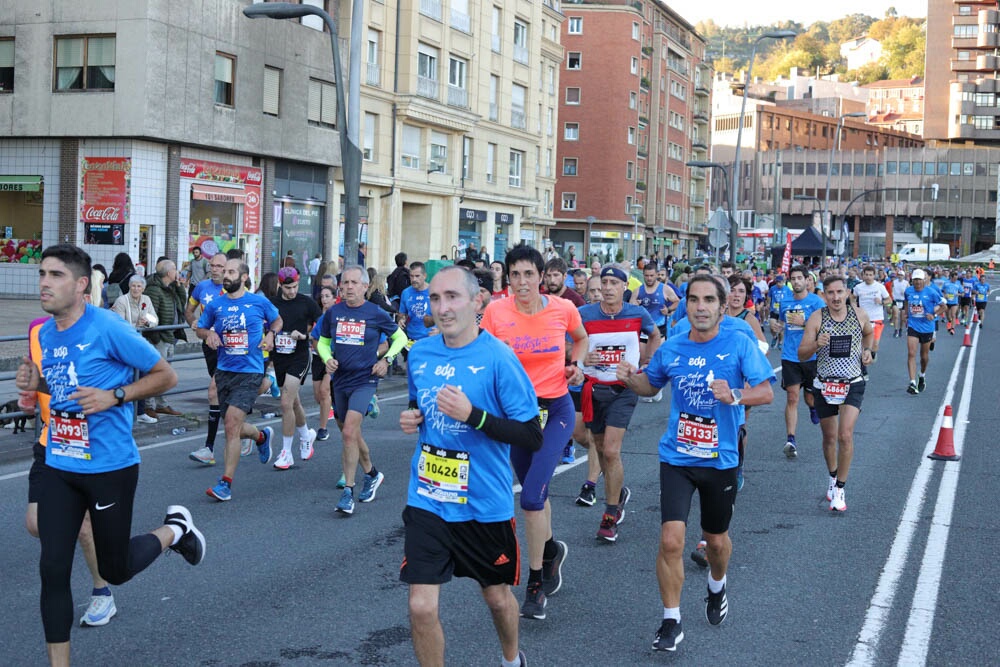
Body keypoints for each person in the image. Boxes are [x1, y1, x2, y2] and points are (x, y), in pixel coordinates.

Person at [16, 244, 205, 667]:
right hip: (60, 463)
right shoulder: (47, 333)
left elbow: (166, 375)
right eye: (42, 274)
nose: (45, 283)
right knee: (52, 570)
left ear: (82, 285)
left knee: (115, 569)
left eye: (56, 275)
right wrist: (39, 382)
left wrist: (116, 395)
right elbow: (65, 390)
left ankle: (175, 530)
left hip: (109, 466)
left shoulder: (108, 328)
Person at [616, 275, 774, 653]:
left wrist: (735, 394)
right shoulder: (672, 349)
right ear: (685, 305)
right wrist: (628, 379)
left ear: (722, 307)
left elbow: (766, 391)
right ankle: (671, 620)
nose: (700, 306)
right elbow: (650, 386)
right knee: (671, 540)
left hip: (720, 460)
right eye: (694, 299)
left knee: (716, 541)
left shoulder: (738, 343)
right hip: (677, 457)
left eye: (708, 300)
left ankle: (717, 586)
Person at [398, 266, 541, 667]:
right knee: (421, 606)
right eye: (436, 299)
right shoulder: (422, 352)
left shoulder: (498, 358)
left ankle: (512, 659)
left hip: (483, 503)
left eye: (452, 297)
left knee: (496, 598)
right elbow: (417, 400)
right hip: (428, 498)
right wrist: (414, 416)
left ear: (478, 301)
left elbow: (532, 435)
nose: (443, 308)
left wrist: (474, 416)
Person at [481, 246, 588, 620]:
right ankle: (552, 551)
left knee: (529, 498)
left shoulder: (563, 309)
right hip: (516, 418)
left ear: (541, 277)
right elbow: (482, 355)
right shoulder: (496, 312)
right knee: (535, 494)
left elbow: (581, 337)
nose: (522, 282)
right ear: (506, 279)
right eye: (515, 275)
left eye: (529, 274)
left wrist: (577, 365)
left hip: (555, 410)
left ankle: (535, 583)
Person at [578, 264, 660, 543]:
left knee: (611, 451)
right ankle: (619, 490)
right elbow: (569, 343)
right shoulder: (584, 314)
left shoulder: (637, 314)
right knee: (598, 446)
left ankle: (610, 514)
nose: (609, 287)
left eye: (615, 282)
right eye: (605, 281)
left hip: (625, 388)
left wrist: (648, 363)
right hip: (593, 389)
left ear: (625, 287)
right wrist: (580, 357)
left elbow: (656, 335)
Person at [316, 265, 407, 515]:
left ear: (365, 287)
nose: (347, 287)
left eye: (353, 283)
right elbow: (322, 343)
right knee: (351, 433)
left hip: (365, 380)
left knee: (347, 432)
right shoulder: (333, 313)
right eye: (344, 283)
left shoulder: (375, 313)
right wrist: (327, 359)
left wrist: (386, 360)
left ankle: (348, 493)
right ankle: (372, 474)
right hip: (341, 381)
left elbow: (400, 339)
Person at [196, 258, 282, 501]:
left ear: (244, 277)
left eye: (231, 271)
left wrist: (271, 335)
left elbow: (277, 320)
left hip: (250, 370)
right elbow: (201, 328)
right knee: (232, 426)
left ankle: (225, 483)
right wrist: (209, 333)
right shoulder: (217, 305)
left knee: (232, 422)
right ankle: (261, 436)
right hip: (225, 370)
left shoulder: (258, 301)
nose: (226, 275)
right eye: (224, 271)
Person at [800, 275, 874, 512]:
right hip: (825, 384)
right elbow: (802, 353)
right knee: (830, 438)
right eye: (830, 293)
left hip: (853, 382)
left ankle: (841, 488)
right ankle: (833, 477)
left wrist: (868, 351)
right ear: (824, 295)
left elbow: (869, 334)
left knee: (845, 435)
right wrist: (816, 344)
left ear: (847, 293)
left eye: (840, 292)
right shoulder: (817, 318)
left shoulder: (859, 314)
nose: (835, 297)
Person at [268, 267, 322, 470]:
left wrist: (305, 336)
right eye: (288, 287)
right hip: (280, 357)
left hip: (299, 356)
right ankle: (306, 435)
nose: (292, 291)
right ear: (280, 285)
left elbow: (322, 324)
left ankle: (286, 452)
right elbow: (265, 324)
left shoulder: (306, 302)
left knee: (285, 402)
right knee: (294, 402)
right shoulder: (272, 303)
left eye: (295, 287)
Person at [770, 265, 825, 458]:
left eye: (799, 278)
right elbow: (776, 319)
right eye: (793, 279)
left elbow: (825, 326)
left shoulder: (816, 302)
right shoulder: (785, 301)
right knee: (792, 397)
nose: (796, 282)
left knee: (810, 397)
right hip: (790, 356)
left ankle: (812, 407)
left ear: (807, 280)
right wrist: (774, 325)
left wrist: (806, 323)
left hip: (811, 356)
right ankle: (791, 439)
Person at [184, 252, 228, 464]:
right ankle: (253, 434)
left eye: (219, 266)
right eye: (212, 265)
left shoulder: (235, 289)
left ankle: (209, 448)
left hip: (228, 348)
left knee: (213, 391)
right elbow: (188, 310)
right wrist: (193, 322)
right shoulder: (202, 287)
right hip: (208, 345)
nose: (214, 269)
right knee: (222, 394)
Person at [111, 275, 160, 423]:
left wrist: (147, 323)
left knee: (143, 376)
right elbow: (119, 325)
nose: (136, 289)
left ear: (143, 288)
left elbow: (155, 319)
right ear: (129, 287)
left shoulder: (146, 299)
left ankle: (140, 412)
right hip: (123, 345)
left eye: (139, 286)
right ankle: (122, 413)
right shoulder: (121, 301)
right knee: (126, 378)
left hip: (139, 344)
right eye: (133, 286)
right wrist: (136, 326)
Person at [142, 259, 187, 417]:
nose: (177, 272)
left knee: (165, 373)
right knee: (155, 373)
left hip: (169, 335)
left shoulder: (170, 287)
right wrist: (154, 336)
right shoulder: (154, 290)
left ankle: (161, 403)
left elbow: (182, 305)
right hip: (159, 337)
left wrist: (180, 287)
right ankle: (149, 405)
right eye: (175, 269)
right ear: (169, 273)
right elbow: (149, 314)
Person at [903, 268, 946, 395]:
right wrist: (906, 313)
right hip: (913, 326)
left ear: (924, 280)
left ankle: (922, 375)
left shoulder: (931, 292)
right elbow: (906, 301)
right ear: (912, 280)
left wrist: (934, 314)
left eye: (919, 280)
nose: (917, 282)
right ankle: (912, 382)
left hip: (927, 327)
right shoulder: (908, 291)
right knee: (911, 353)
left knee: (924, 357)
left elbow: (944, 306)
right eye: (915, 280)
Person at [311, 285, 338, 442]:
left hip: (333, 359)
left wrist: (329, 357)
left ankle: (323, 428)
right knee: (318, 396)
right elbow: (314, 338)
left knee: (324, 391)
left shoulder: (339, 316)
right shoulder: (322, 319)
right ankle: (332, 404)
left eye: (327, 296)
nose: (324, 300)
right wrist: (321, 354)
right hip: (318, 358)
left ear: (335, 298)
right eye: (322, 297)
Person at [398, 262, 434, 371]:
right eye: (411, 276)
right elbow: (402, 313)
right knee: (413, 372)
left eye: (417, 276)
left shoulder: (434, 292)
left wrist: (440, 330)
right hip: (412, 340)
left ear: (425, 276)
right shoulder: (406, 293)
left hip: (430, 339)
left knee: (427, 372)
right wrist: (401, 320)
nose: (414, 279)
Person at [852, 265, 892, 360]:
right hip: (863, 319)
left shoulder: (880, 287)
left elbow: (889, 300)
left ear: (874, 276)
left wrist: (881, 302)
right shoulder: (858, 287)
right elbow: (852, 297)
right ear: (863, 276)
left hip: (876, 318)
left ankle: (872, 353)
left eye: (870, 275)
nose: (868, 277)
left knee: (875, 344)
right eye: (866, 275)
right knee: (862, 343)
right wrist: (855, 308)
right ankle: (863, 366)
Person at [890, 271, 910, 337]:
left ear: (904, 276)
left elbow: (910, 292)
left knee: (902, 318)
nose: (900, 276)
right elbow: (891, 289)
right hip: (896, 300)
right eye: (899, 275)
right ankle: (896, 330)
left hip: (903, 301)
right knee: (896, 316)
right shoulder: (894, 282)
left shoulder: (906, 283)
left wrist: (905, 293)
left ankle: (901, 329)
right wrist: (892, 296)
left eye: (901, 275)